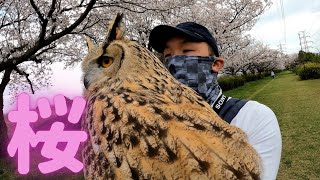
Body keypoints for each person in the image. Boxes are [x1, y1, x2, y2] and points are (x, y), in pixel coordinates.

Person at [149, 22, 282, 180]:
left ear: (216, 65)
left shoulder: (254, 117)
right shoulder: (156, 124)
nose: (174, 63)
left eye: (187, 51)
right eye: (168, 56)